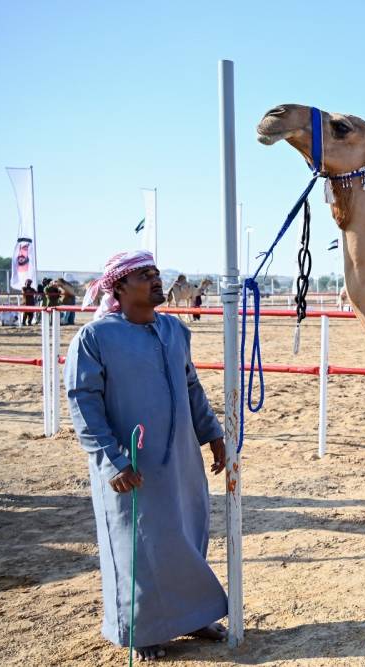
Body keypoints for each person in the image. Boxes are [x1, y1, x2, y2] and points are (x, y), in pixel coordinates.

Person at [64, 250, 229, 661]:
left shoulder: (175, 330)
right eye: (144, 275)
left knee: (186, 536)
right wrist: (111, 460)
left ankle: (192, 616)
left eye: (157, 273)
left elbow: (191, 387)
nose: (156, 280)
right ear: (118, 286)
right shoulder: (94, 338)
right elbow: (83, 402)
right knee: (137, 544)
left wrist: (213, 434)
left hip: (181, 458)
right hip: (129, 465)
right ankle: (141, 630)